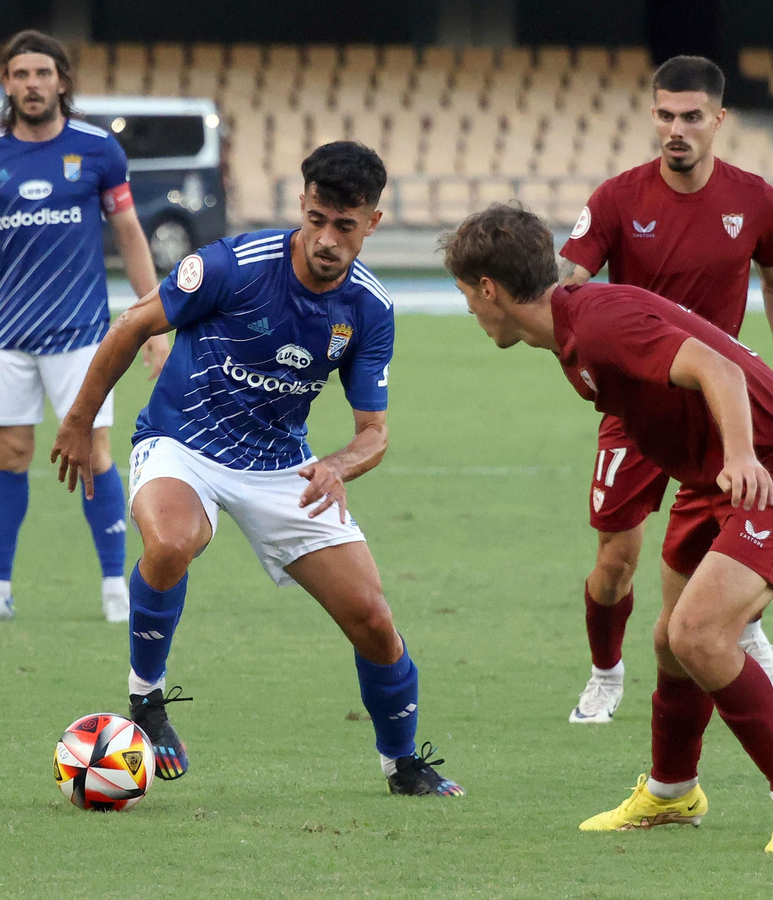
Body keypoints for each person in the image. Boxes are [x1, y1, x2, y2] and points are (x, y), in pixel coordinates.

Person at [50, 141, 463, 797]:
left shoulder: (369, 309)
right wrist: (78, 420)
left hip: (282, 467)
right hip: (181, 441)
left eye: (345, 226)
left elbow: (374, 434)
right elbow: (132, 324)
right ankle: (146, 696)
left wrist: (336, 466)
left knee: (375, 622)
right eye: (318, 218)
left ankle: (403, 762)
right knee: (173, 541)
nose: (328, 238)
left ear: (373, 224)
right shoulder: (230, 265)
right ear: (301, 204)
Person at [444, 203, 773, 851]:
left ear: (490, 290)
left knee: (699, 635)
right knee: (669, 643)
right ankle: (673, 793)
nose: (468, 311)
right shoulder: (569, 330)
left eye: (466, 296)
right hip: (712, 479)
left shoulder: (596, 326)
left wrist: (740, 455)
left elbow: (721, 369)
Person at [556, 55, 773, 723]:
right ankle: (606, 673)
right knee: (616, 561)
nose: (676, 129)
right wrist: (580, 367)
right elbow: (565, 291)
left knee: (738, 532)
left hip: (720, 405)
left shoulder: (755, 200)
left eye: (691, 117)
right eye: (665, 115)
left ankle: (745, 629)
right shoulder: (616, 200)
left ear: (718, 120)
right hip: (637, 409)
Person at [0, 30, 168, 625]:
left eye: (42, 73)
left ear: (61, 80)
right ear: (6, 83)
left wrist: (154, 322)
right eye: (19, 75)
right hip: (7, 331)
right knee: (11, 453)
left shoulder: (97, 150)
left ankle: (116, 586)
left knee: (93, 451)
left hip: (82, 333)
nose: (31, 85)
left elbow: (130, 235)